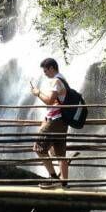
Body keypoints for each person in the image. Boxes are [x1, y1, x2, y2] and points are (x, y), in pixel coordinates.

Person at [30, 57, 70, 188]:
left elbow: (49, 101)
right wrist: (45, 119)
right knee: (60, 154)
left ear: (52, 68)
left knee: (38, 147)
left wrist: (38, 93)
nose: (44, 73)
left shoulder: (56, 81)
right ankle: (64, 184)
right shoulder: (62, 78)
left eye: (46, 70)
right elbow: (55, 104)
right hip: (61, 121)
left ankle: (53, 178)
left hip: (56, 121)